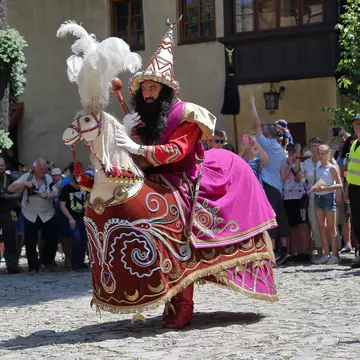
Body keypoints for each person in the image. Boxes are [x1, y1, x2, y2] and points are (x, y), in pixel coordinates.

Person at [114, 20, 278, 328]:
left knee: (178, 233)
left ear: (164, 91)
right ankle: (161, 290)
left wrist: (137, 148)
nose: (148, 94)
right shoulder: (141, 121)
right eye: (144, 89)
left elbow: (176, 151)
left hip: (186, 177)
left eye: (153, 88)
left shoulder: (187, 114)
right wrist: (127, 135)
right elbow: (137, 162)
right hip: (155, 177)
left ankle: (185, 301)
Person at [249, 94, 292, 265]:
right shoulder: (281, 150)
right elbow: (283, 175)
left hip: (267, 187)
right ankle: (284, 251)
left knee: (269, 219)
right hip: (278, 188)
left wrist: (253, 106)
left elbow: (255, 125)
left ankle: (272, 254)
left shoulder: (265, 144)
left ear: (268, 134)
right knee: (281, 218)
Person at [8, 158, 58, 273]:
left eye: (45, 169)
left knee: (52, 238)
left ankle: (47, 261)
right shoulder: (27, 177)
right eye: (41, 169)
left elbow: (55, 193)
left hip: (47, 214)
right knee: (30, 240)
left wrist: (45, 196)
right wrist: (24, 184)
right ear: (34, 168)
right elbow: (10, 188)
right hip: (30, 214)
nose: (44, 171)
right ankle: (33, 266)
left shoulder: (48, 178)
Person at [311, 145, 342, 265]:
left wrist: (325, 188)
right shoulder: (317, 168)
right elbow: (316, 182)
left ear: (328, 154)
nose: (320, 155)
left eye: (323, 153)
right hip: (318, 198)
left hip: (329, 197)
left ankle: (334, 255)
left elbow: (339, 185)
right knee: (321, 227)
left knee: (331, 227)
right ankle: (326, 253)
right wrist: (314, 187)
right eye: (319, 153)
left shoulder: (332, 168)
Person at [59, 162, 88, 271]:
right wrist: (70, 218)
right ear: (71, 173)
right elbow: (62, 205)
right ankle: (74, 262)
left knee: (84, 239)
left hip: (83, 217)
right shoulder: (66, 188)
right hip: (72, 218)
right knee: (76, 239)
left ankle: (81, 262)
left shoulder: (85, 187)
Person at [302, 137, 323, 259]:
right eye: (312, 146)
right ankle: (320, 252)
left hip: (326, 196)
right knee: (315, 225)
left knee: (327, 225)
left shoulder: (326, 160)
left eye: (316, 146)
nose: (314, 148)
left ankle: (331, 252)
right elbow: (301, 178)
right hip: (312, 198)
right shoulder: (306, 163)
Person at [0, 156, 21, 274]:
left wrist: (6, 196)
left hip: (7, 211)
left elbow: (18, 194)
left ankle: (12, 264)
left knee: (10, 239)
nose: (0, 168)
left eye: (2, 165)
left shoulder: (10, 178)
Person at [345, 114, 360, 268]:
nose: (357, 126)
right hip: (354, 189)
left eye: (359, 123)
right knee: (356, 222)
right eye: (355, 124)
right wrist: (347, 189)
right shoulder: (355, 143)